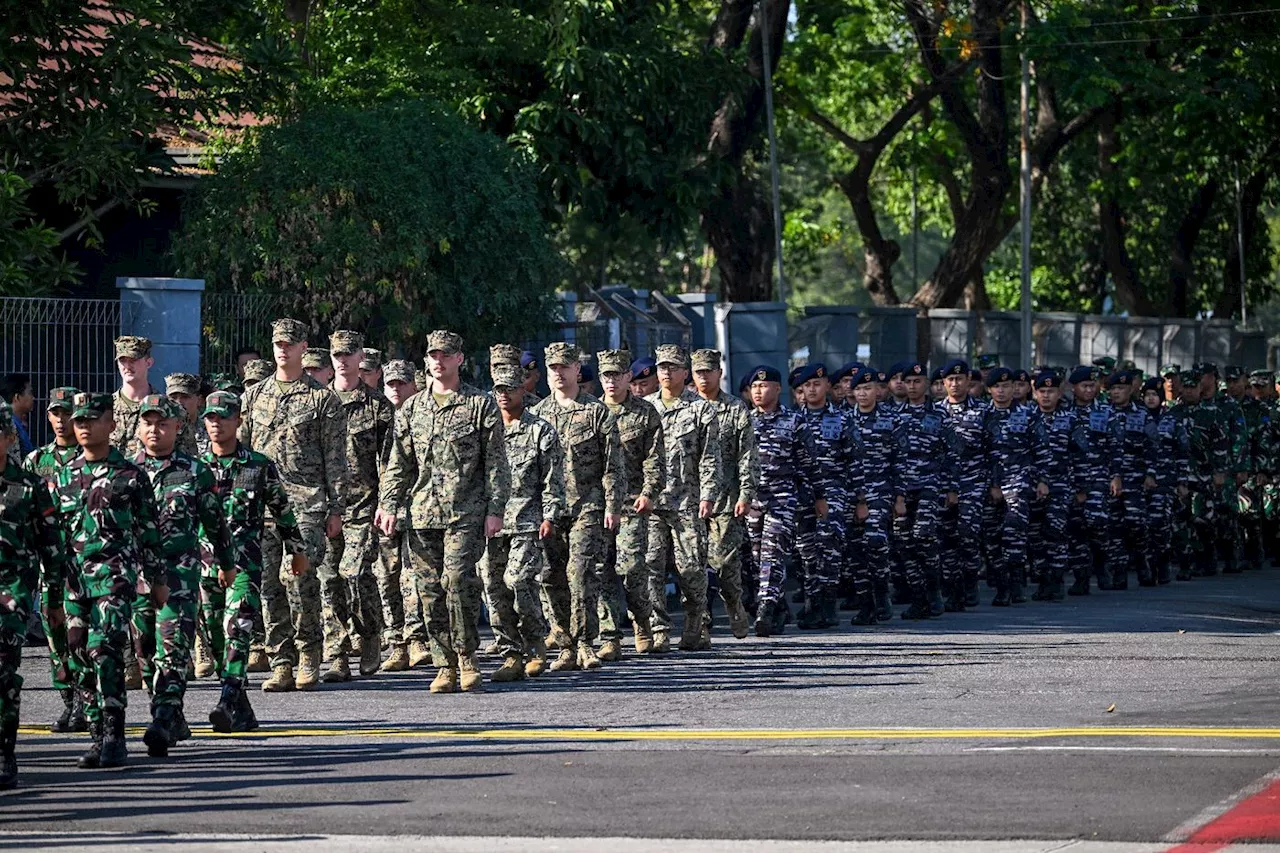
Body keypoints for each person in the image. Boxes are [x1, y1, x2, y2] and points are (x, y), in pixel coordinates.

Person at [376, 330, 509, 693]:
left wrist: (495, 509)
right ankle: (444, 662)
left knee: (456, 582)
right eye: (433, 354)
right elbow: (399, 464)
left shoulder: (480, 405)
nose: (438, 360)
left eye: (446, 355)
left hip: (466, 511)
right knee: (429, 590)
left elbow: (496, 463)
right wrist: (389, 504)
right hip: (421, 514)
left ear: (459, 359)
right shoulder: (412, 408)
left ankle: (467, 656)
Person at [58, 392, 166, 769]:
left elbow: (149, 532)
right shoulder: (64, 476)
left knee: (103, 651)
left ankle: (114, 734)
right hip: (75, 583)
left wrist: (156, 579)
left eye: (93, 419)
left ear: (111, 424)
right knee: (75, 653)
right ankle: (94, 734)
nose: (84, 426)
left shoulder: (130, 476)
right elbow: (54, 534)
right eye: (79, 420)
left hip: (115, 580)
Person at [239, 318, 347, 693]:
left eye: (290, 343)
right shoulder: (253, 397)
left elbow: (335, 458)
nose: (283, 349)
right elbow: (243, 454)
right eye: (277, 343)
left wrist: (336, 508)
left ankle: (308, 655)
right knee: (268, 585)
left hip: (307, 504)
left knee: (298, 579)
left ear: (304, 348)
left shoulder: (322, 399)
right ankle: (281, 659)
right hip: (263, 505)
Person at [131, 394, 233, 757]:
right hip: (139, 577)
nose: (154, 430)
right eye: (148, 423)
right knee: (144, 650)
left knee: (172, 651)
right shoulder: (127, 472)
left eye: (163, 424)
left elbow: (215, 523)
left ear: (177, 427)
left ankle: (163, 717)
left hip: (180, 574)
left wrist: (226, 562)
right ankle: (171, 713)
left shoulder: (194, 471)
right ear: (139, 427)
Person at [201, 390, 308, 732]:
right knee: (217, 637)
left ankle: (227, 697)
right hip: (204, 565)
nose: (216, 423)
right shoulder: (193, 468)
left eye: (223, 417)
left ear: (239, 421)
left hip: (244, 562)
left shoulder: (258, 465)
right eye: (210, 418)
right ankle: (242, 709)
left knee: (239, 629)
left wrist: (296, 550)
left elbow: (282, 510)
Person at [531, 342, 622, 670]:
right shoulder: (539, 415)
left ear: (576, 370)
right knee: (551, 575)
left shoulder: (597, 412)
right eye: (552, 367)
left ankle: (585, 642)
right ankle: (565, 644)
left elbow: (613, 466)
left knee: (580, 572)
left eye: (563, 367)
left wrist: (613, 506)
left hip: (588, 506)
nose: (558, 372)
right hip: (549, 510)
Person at [0, 402, 70, 789]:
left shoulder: (28, 487)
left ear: (10, 439)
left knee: (3, 672)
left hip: (11, 591)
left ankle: (5, 751)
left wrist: (55, 598)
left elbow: (50, 547)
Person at [319, 331, 394, 682]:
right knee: (328, 578)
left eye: (349, 353)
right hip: (323, 507)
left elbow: (390, 461)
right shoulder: (318, 400)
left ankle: (369, 635)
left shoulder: (378, 406)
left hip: (363, 506)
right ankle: (337, 652)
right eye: (337, 354)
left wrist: (388, 503)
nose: (343, 360)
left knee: (355, 573)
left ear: (360, 355)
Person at [482, 363, 564, 679]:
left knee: (517, 581)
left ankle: (535, 646)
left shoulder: (539, 430)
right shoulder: (487, 430)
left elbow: (552, 479)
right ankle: (510, 654)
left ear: (522, 391)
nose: (503, 395)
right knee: (492, 588)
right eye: (498, 389)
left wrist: (550, 515)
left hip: (527, 521)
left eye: (510, 389)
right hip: (491, 522)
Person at [645, 344, 721, 652]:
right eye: (662, 367)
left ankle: (695, 621)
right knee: (650, 564)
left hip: (687, 501)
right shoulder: (646, 407)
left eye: (673, 367)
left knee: (690, 567)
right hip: (652, 502)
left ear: (684, 372)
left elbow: (710, 457)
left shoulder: (700, 409)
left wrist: (709, 495)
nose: (666, 372)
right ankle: (658, 628)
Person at [22, 387, 84, 733]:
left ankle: (88, 699)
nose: (61, 421)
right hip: (49, 564)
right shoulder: (37, 461)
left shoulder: (90, 458)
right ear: (48, 417)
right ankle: (68, 698)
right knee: (55, 633)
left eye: (67, 414)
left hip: (83, 564)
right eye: (55, 414)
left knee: (82, 635)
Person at [595, 349, 663, 657]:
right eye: (605, 376)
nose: (611, 381)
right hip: (597, 504)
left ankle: (641, 620)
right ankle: (610, 634)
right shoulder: (592, 412)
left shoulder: (645, 413)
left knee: (632, 566)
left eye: (616, 375)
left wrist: (649, 492)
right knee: (602, 569)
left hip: (633, 502)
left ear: (627, 378)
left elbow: (654, 459)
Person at [746, 367, 820, 635]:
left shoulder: (794, 421)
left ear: (777, 389)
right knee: (756, 556)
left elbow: (809, 465)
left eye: (764, 386)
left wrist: (818, 497)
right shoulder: (744, 421)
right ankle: (778, 606)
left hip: (783, 497)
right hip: (752, 499)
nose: (758, 391)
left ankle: (765, 607)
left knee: (773, 553)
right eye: (754, 386)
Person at [691, 349, 758, 639]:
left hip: (726, 499)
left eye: (709, 371)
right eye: (698, 372)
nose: (704, 377)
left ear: (720, 373)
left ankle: (733, 603)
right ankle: (701, 620)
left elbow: (747, 455)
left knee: (725, 563)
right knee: (693, 564)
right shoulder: (686, 408)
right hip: (688, 498)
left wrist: (746, 493)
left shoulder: (735, 409)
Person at [792, 363, 858, 629]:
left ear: (828, 386)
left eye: (817, 384)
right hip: (801, 492)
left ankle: (829, 605)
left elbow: (854, 461)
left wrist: (859, 500)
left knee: (829, 547)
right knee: (806, 550)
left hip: (833, 491)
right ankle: (812, 604)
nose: (811, 389)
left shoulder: (842, 419)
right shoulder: (794, 419)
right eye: (806, 385)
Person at [893, 362, 956, 619]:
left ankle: (934, 593)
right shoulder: (894, 415)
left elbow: (952, 453)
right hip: (902, 486)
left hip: (930, 484)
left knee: (924, 536)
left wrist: (951, 488)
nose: (912, 386)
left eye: (917, 382)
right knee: (904, 542)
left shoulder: (940, 415)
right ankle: (918, 597)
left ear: (927, 384)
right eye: (908, 382)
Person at [380, 359, 429, 667]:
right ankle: (395, 639)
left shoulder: (422, 416)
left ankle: (416, 639)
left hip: (417, 507)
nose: (396, 389)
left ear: (414, 385)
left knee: (413, 577)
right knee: (386, 576)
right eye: (391, 384)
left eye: (401, 383)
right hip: (384, 509)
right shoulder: (379, 416)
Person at [846, 368, 901, 624]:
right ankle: (865, 602)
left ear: (877, 391)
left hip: (880, 491)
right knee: (856, 551)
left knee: (875, 543)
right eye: (859, 389)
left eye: (868, 388)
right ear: (853, 392)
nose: (864, 393)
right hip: (851, 493)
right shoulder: (845, 420)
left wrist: (899, 498)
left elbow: (899, 460)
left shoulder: (891, 419)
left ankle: (882, 593)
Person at [1064, 366, 1122, 595]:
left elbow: (1116, 448)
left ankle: (1101, 565)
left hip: (1098, 477)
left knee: (1097, 524)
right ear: (1073, 388)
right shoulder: (1065, 413)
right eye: (1084, 386)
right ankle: (1081, 576)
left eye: (1092, 385)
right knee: (1076, 527)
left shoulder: (1107, 412)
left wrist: (1116, 476)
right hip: (1071, 478)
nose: (1089, 389)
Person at [982, 367, 1037, 605]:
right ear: (989, 390)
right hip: (989, 483)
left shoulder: (1028, 415)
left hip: (1018, 479)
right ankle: (1000, 582)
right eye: (997, 387)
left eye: (1007, 386)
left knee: (1014, 531)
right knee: (991, 535)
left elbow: (1040, 451)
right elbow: (979, 454)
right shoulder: (981, 416)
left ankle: (1015, 584)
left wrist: (1040, 481)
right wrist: (992, 484)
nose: (1002, 391)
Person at [937, 359, 989, 611]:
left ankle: (970, 581)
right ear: (944, 383)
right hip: (943, 484)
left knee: (967, 534)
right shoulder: (936, 411)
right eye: (950, 380)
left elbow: (993, 450)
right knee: (946, 538)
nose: (955, 384)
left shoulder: (983, 410)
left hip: (972, 482)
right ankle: (953, 588)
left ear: (968, 380)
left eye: (959, 379)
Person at [1105, 370, 1158, 588]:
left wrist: (1151, 474)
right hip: (1108, 479)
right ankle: (1119, 570)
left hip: (1135, 478)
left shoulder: (1142, 414)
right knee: (1114, 525)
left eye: (1121, 389)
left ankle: (1141, 561)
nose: (1117, 392)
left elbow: (1154, 446)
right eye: (1114, 389)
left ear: (1130, 390)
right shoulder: (1102, 413)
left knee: (1136, 524)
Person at [1027, 370, 1075, 601]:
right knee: (1035, 535)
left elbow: (1080, 455)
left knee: (1055, 532)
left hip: (1060, 485)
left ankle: (1057, 580)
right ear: (1035, 392)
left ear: (1059, 392)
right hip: (1031, 485)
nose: (1046, 396)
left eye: (1051, 391)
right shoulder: (1025, 417)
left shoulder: (1070, 418)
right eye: (1042, 391)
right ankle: (1043, 579)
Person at [110, 336, 156, 459]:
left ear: (149, 362)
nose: (127, 366)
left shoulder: (167, 410)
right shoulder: (105, 408)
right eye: (122, 360)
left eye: (133, 360)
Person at [165, 373, 207, 457]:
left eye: (185, 397)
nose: (179, 402)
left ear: (199, 400)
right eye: (173, 397)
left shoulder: (210, 429)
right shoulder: (162, 430)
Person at [0, 374, 34, 465]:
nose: (33, 398)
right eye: (30, 393)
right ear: (17, 397)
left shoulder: (16, 424)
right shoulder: (9, 426)